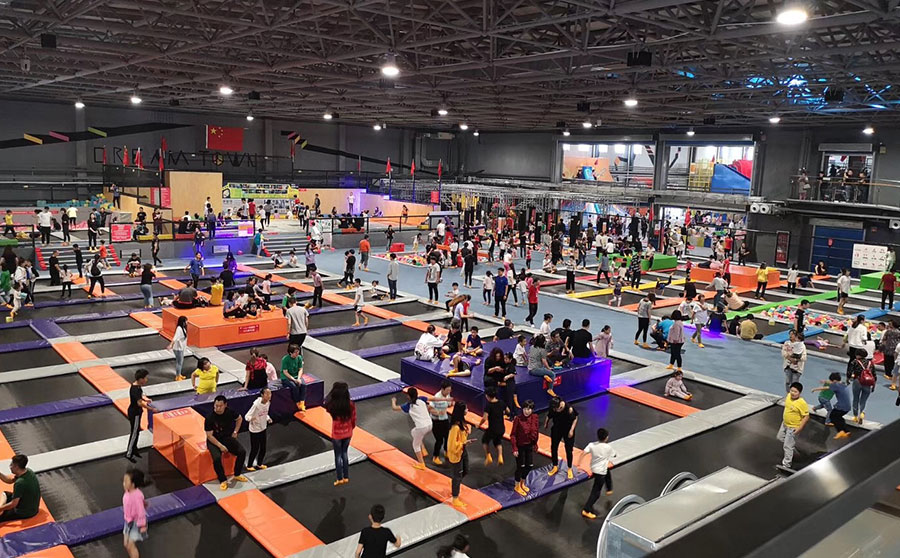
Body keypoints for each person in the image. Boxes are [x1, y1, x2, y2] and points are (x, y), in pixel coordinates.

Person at [204, 396, 248, 491]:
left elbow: (239, 418)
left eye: (220, 406)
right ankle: (222, 480)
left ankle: (237, 474)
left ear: (225, 405)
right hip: (214, 440)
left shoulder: (230, 412)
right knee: (217, 458)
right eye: (216, 406)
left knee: (242, 452)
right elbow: (209, 436)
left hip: (226, 437)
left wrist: (235, 432)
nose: (218, 408)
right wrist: (220, 446)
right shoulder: (209, 418)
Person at [391, 388, 433, 470]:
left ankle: (421, 464)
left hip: (421, 427)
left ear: (408, 396)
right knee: (413, 432)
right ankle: (423, 448)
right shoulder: (421, 399)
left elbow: (394, 408)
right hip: (430, 424)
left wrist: (393, 401)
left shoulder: (408, 405)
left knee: (415, 445)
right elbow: (431, 401)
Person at [579, 427, 616, 519]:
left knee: (607, 471)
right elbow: (614, 455)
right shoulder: (608, 447)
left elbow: (583, 453)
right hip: (600, 472)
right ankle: (586, 510)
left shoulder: (591, 445)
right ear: (606, 438)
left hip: (594, 468)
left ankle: (609, 488)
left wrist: (579, 463)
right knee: (596, 493)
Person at [125, 369, 157, 462]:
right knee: (134, 433)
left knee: (137, 431)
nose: (146, 380)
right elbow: (139, 403)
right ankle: (129, 453)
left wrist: (145, 399)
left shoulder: (137, 386)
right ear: (140, 379)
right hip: (135, 413)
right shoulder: (136, 389)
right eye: (145, 378)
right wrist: (151, 409)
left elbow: (138, 398)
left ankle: (134, 449)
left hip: (136, 412)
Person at [777, 382, 809, 469]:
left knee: (787, 446)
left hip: (793, 427)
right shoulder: (788, 396)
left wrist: (800, 428)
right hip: (784, 424)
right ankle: (793, 451)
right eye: (791, 391)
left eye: (795, 392)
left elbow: (806, 416)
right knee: (780, 438)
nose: (792, 393)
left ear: (799, 393)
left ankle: (786, 465)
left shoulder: (802, 403)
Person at [545, 396, 578, 479]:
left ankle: (569, 468)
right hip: (557, 428)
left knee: (568, 449)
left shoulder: (569, 409)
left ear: (560, 406)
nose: (555, 410)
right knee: (554, 447)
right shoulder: (553, 407)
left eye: (556, 409)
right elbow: (549, 415)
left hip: (567, 429)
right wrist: (546, 423)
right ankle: (555, 466)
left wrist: (571, 430)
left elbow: (575, 418)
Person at [446, 402, 472, 509]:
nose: (467, 410)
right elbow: (452, 445)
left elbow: (463, 434)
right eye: (466, 409)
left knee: (466, 470)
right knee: (457, 476)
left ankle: (455, 483)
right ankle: (455, 498)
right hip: (457, 453)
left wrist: (467, 431)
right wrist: (463, 443)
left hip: (463, 451)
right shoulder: (455, 427)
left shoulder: (462, 422)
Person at [510, 399, 538, 497]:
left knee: (529, 465)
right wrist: (515, 448)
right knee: (520, 466)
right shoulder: (518, 419)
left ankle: (522, 482)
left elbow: (536, 431)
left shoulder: (535, 417)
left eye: (529, 409)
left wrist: (535, 444)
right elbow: (513, 435)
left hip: (529, 445)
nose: (527, 411)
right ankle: (517, 485)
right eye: (525, 409)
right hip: (520, 446)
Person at [243, 388, 272, 472]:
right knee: (255, 448)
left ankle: (259, 464)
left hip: (263, 427)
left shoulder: (268, 403)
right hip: (255, 430)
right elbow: (247, 416)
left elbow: (265, 413)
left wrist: (268, 418)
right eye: (267, 394)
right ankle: (249, 465)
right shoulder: (256, 405)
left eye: (270, 394)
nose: (269, 396)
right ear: (262, 395)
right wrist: (252, 419)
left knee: (263, 448)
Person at [121, 468, 148, 558]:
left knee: (130, 545)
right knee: (126, 544)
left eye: (126, 481)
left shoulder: (137, 496)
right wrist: (144, 503)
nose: (123, 484)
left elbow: (141, 512)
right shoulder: (128, 491)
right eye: (123, 481)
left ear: (132, 484)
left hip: (137, 523)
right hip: (128, 521)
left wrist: (142, 525)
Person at [477, 387, 506, 467]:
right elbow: (507, 410)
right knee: (497, 441)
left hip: (493, 428)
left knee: (485, 440)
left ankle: (488, 456)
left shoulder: (489, 405)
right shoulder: (501, 403)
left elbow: (484, 418)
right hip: (501, 428)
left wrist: (479, 424)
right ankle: (500, 456)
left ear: (487, 396)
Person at [429, 380, 453, 465]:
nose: (449, 392)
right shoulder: (437, 397)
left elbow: (449, 404)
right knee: (439, 440)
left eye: (450, 390)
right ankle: (435, 457)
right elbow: (430, 409)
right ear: (442, 389)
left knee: (447, 437)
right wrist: (438, 412)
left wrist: (451, 403)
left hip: (444, 419)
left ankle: (446, 451)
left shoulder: (447, 395)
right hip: (436, 421)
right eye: (447, 390)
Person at [848, 349, 875, 424]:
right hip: (868, 382)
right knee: (864, 400)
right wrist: (873, 385)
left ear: (857, 355)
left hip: (858, 381)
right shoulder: (870, 363)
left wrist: (848, 379)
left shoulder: (855, 362)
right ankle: (862, 413)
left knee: (856, 398)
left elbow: (849, 372)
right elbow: (874, 374)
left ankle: (855, 416)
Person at [281, 343, 307, 412]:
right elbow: (285, 372)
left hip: (296, 375)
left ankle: (302, 402)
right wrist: (294, 380)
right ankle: (297, 402)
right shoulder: (285, 359)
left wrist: (298, 378)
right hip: (286, 377)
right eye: (295, 352)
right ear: (290, 353)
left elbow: (300, 369)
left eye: (298, 352)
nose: (297, 353)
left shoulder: (299, 358)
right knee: (294, 387)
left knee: (303, 384)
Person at [165, 316, 188, 381]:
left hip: (181, 348)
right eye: (186, 321)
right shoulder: (179, 328)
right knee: (179, 363)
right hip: (178, 349)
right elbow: (175, 338)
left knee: (180, 362)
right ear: (183, 322)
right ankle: (177, 376)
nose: (187, 322)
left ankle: (179, 374)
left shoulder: (183, 328)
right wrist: (170, 345)